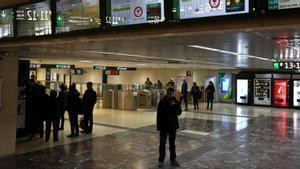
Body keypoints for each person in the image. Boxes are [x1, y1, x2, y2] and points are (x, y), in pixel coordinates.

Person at [157, 87, 182, 168]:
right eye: (169, 93)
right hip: (164, 127)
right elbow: (159, 115)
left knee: (172, 144)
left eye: (171, 93)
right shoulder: (162, 102)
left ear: (173, 93)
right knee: (162, 144)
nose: (170, 94)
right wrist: (159, 127)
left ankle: (173, 160)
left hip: (172, 127)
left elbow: (179, 112)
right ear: (167, 93)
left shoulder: (175, 101)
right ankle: (161, 160)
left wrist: (174, 106)